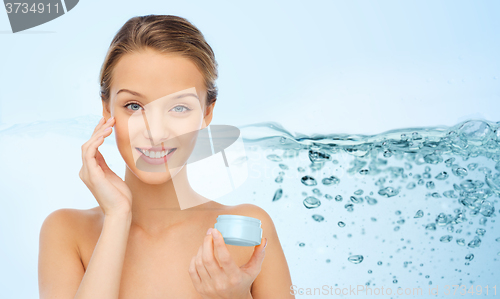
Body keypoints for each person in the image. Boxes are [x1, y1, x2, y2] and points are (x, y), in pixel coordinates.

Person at [38, 14, 294, 299]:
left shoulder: (245, 230)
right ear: (107, 109)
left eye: (179, 108)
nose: (156, 132)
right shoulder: (66, 232)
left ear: (207, 112)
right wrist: (117, 216)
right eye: (134, 106)